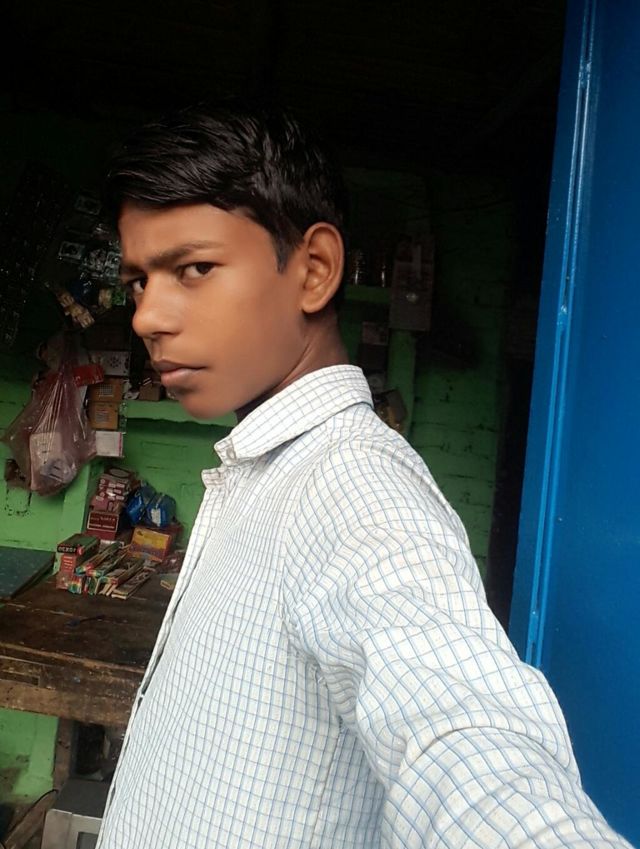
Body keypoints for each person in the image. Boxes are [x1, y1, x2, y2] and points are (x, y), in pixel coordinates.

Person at [96, 102, 632, 849]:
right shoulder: (267, 471)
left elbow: (463, 737)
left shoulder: (353, 486)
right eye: (138, 283)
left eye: (193, 269)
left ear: (314, 270)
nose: (148, 317)